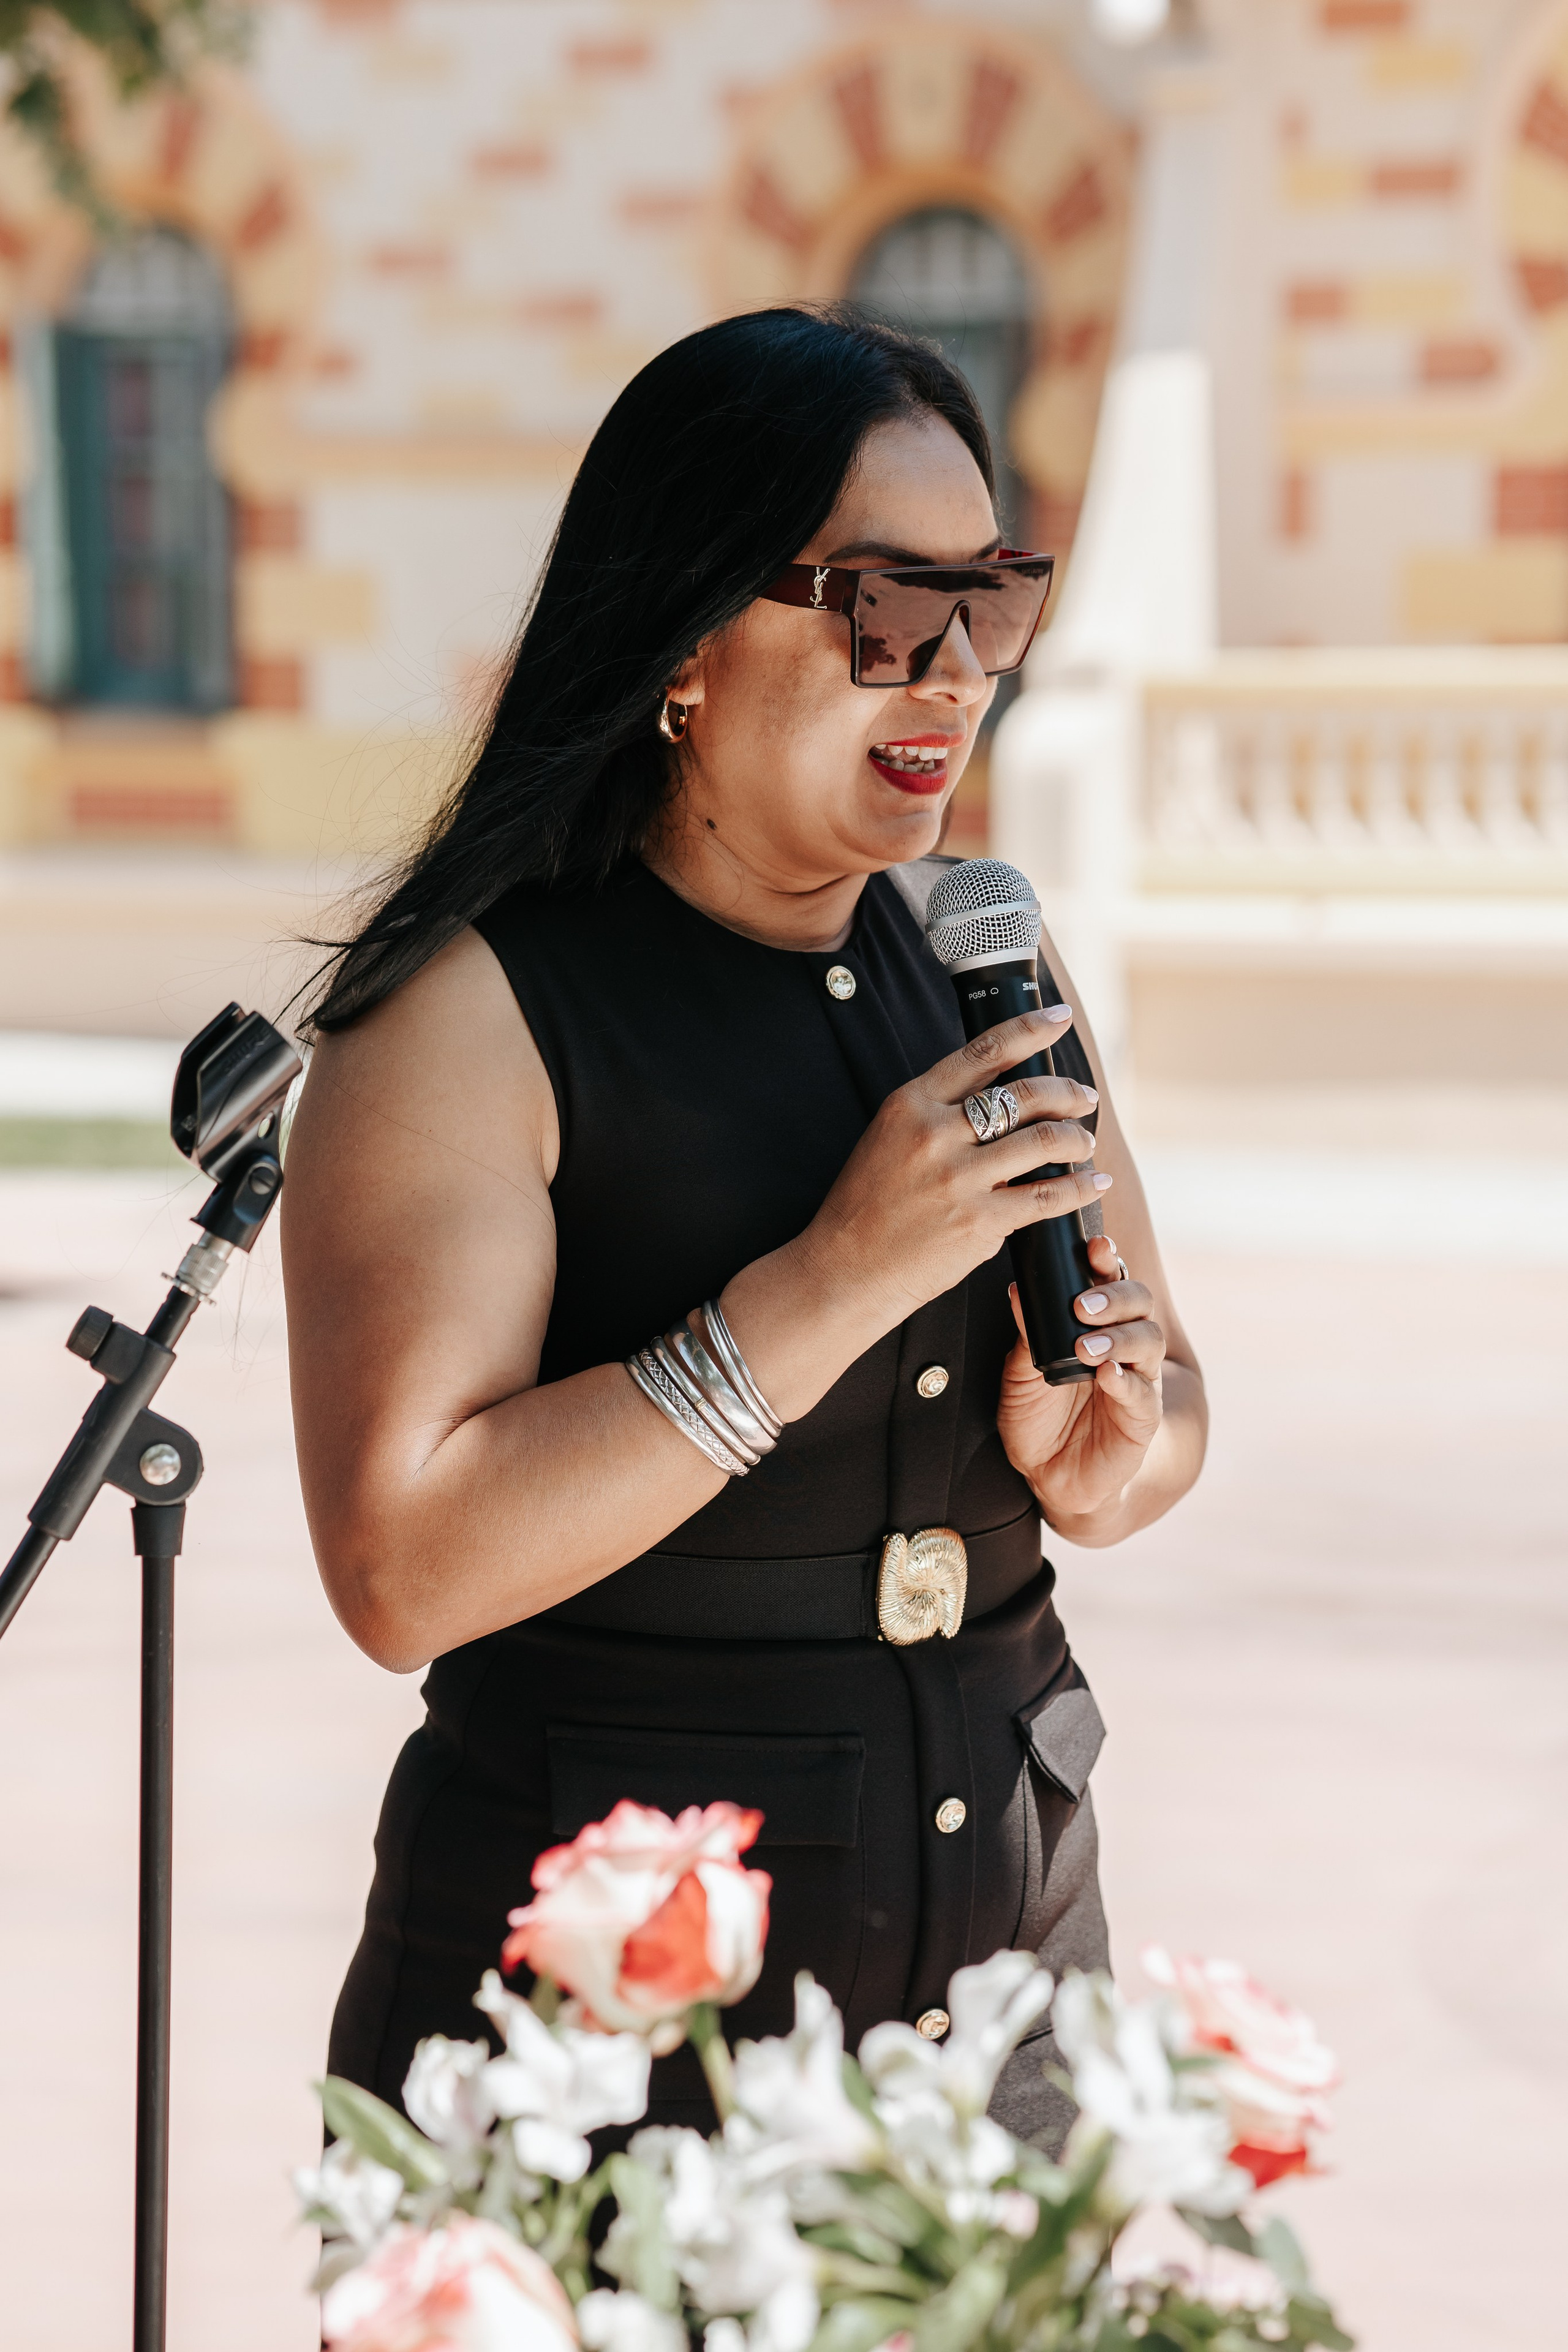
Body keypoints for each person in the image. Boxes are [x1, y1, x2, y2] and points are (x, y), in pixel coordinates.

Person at [282, 305, 1207, 2150]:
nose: (953, 675)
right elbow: (402, 1569)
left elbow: (1163, 1404)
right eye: (883, 607)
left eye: (993, 604)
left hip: (1000, 1996)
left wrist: (1107, 1450)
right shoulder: (473, 1019)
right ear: (691, 639)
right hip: (611, 2054)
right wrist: (825, 1288)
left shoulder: (989, 957)